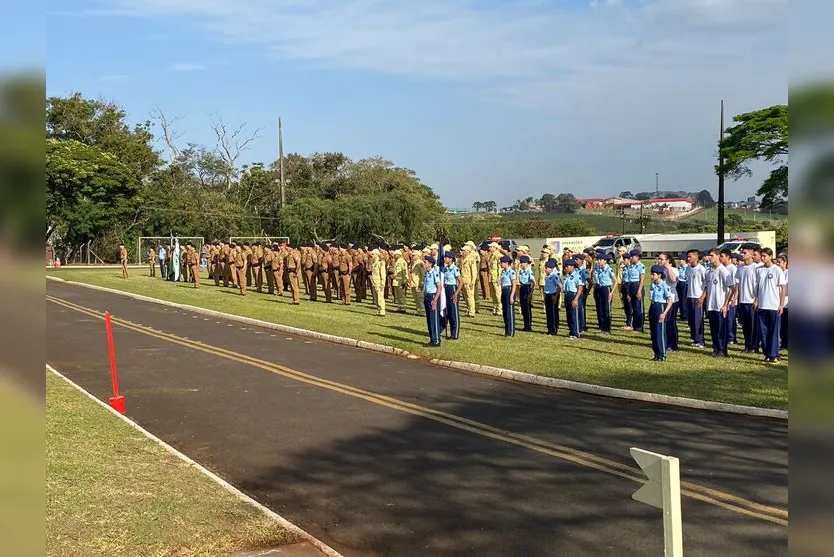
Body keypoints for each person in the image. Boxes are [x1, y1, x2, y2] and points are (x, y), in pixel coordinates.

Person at [754, 247, 787, 363]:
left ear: (770, 256)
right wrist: (756, 299)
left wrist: (781, 304)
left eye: (764, 256)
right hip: (762, 305)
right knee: (763, 331)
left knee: (773, 331)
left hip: (773, 305)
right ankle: (767, 353)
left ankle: (773, 354)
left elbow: (783, 288)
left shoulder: (777, 270)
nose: (762, 258)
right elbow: (757, 286)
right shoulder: (759, 270)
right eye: (761, 256)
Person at [704, 248, 733, 358]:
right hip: (711, 305)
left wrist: (726, 304)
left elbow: (731, 288)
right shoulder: (709, 271)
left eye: (712, 255)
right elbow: (707, 288)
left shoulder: (723, 270)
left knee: (721, 329)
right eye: (709, 255)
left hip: (720, 305)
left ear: (717, 256)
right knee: (714, 329)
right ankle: (715, 348)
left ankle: (722, 349)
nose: (709, 258)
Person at [648, 265, 675, 362]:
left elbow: (670, 300)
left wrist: (664, 313)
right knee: (653, 332)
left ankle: (662, 354)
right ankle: (656, 353)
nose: (651, 276)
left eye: (653, 274)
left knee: (660, 332)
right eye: (651, 274)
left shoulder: (664, 285)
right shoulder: (653, 284)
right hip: (653, 306)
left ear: (659, 275)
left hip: (661, 307)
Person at [657, 252, 679, 351]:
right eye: (659, 259)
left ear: (668, 260)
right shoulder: (659, 271)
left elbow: (673, 280)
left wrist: (668, 268)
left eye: (662, 259)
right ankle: (664, 342)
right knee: (663, 322)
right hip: (662, 300)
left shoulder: (673, 269)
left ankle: (672, 344)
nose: (659, 261)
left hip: (672, 300)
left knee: (670, 322)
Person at [685, 249, 706, 348]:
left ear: (697, 257)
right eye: (687, 257)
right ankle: (694, 338)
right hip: (690, 296)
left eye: (690, 256)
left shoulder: (701, 269)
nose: (688, 258)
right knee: (691, 319)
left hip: (698, 297)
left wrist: (702, 297)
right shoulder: (688, 269)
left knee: (698, 319)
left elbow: (706, 285)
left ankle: (700, 340)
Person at [442, 252, 463, 339]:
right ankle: (450, 332)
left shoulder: (455, 269)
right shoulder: (445, 269)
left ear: (451, 259)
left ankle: (455, 334)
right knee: (448, 312)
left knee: (454, 313)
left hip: (452, 289)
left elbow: (461, 282)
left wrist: (456, 294)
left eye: (447, 258)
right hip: (446, 289)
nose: (445, 259)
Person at [562, 257, 584, 339]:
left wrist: (575, 299)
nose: (566, 268)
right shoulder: (566, 276)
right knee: (569, 315)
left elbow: (580, 287)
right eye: (565, 266)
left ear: (572, 266)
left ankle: (576, 333)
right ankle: (571, 331)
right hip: (567, 294)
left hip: (573, 295)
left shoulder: (576, 276)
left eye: (567, 266)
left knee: (574, 315)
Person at [423, 255, 442, 347]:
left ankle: (436, 340)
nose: (424, 264)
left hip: (432, 296)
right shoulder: (427, 273)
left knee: (434, 319)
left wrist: (435, 300)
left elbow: (439, 287)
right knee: (429, 320)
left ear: (430, 264)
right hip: (427, 296)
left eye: (425, 262)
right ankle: (432, 339)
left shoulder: (435, 273)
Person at [593, 252, 614, 333]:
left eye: (600, 260)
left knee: (606, 309)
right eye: (598, 260)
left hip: (606, 288)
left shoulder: (608, 269)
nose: (598, 261)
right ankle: (601, 326)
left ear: (605, 261)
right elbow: (595, 280)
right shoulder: (597, 269)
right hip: (599, 288)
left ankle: (607, 328)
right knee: (600, 308)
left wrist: (611, 292)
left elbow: (615, 281)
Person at [625, 249, 645, 333]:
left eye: (632, 257)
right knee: (633, 307)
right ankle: (634, 326)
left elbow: (642, 280)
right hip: (631, 285)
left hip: (637, 286)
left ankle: (639, 328)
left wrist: (639, 291)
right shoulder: (630, 266)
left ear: (637, 257)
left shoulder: (641, 266)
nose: (631, 258)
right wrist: (629, 292)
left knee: (638, 308)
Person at [499, 255, 518, 336]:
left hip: (509, 290)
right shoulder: (503, 271)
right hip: (504, 290)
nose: (501, 264)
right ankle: (507, 331)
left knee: (509, 312)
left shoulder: (511, 272)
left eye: (502, 262)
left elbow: (514, 284)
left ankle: (511, 331)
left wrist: (512, 296)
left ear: (507, 263)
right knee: (505, 312)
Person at [542, 259, 561, 335]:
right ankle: (549, 328)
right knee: (548, 312)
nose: (545, 269)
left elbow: (559, 286)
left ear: (551, 268)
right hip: (548, 295)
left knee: (553, 313)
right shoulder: (547, 275)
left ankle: (554, 329)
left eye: (546, 268)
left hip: (553, 295)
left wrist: (556, 296)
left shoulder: (554, 276)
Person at [517, 255, 535, 332]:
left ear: (527, 263)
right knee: (523, 308)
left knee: (527, 308)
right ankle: (525, 325)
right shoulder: (521, 271)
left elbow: (533, 282)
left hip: (527, 288)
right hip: (522, 288)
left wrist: (530, 293)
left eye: (523, 263)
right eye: (520, 262)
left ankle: (528, 326)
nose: (521, 264)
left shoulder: (529, 271)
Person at [776, 252, 788, 350]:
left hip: (787, 303)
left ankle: (786, 342)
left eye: (779, 262)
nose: (778, 264)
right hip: (778, 302)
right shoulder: (777, 272)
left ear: (785, 263)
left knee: (787, 325)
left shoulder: (788, 273)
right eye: (777, 262)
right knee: (781, 325)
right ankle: (782, 343)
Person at [370, 249, 386, 316]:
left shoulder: (380, 262)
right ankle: (378, 309)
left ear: (376, 254)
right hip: (374, 282)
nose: (372, 256)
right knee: (376, 297)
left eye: (373, 254)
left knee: (380, 296)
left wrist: (382, 282)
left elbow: (382, 273)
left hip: (379, 282)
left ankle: (382, 310)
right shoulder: (374, 262)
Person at [676, 253, 688, 321]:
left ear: (684, 260)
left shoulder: (687, 268)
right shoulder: (679, 268)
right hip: (679, 284)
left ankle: (685, 315)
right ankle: (682, 314)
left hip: (684, 284)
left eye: (681, 259)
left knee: (684, 300)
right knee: (680, 300)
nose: (679, 261)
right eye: (679, 259)